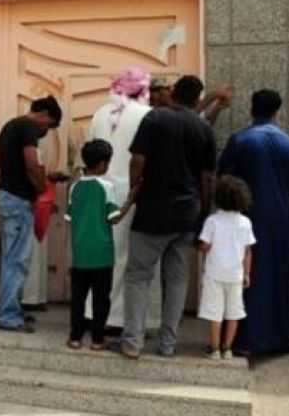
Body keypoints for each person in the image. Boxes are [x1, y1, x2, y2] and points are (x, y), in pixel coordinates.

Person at [120, 76, 216, 359]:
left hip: (152, 209)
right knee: (176, 279)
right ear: (199, 99)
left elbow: (137, 160)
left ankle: (133, 342)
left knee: (138, 276)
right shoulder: (204, 128)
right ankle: (167, 345)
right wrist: (203, 215)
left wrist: (132, 192)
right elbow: (207, 178)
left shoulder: (155, 118)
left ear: (174, 92)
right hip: (187, 213)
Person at [218, 89, 289, 356]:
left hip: (246, 217)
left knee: (247, 277)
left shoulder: (240, 140)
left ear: (251, 108)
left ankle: (245, 338)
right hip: (282, 220)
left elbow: (224, 176)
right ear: (277, 111)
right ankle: (282, 338)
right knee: (280, 274)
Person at [86, 67, 153, 332]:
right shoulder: (147, 115)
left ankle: (91, 311)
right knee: (123, 256)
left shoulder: (99, 114)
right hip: (128, 192)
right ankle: (114, 318)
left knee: (98, 253)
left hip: (98, 189)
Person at [0, 95, 63, 333]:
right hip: (18, 200)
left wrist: (15, 171)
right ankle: (7, 315)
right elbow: (32, 163)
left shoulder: (10, 125)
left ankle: (10, 308)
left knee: (11, 257)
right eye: (49, 125)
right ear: (42, 114)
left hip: (5, 196)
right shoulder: (29, 127)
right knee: (16, 260)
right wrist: (42, 189)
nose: (46, 132)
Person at [65, 139, 135, 350]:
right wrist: (130, 201)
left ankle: (75, 337)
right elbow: (114, 218)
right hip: (103, 254)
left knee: (78, 298)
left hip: (79, 253)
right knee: (101, 299)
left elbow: (69, 218)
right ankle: (97, 339)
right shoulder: (107, 187)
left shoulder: (75, 187)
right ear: (104, 163)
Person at [197, 175, 256, 360]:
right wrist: (247, 274)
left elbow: (204, 245)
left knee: (215, 313)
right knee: (234, 312)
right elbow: (248, 252)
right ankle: (227, 348)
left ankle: (214, 349)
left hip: (214, 273)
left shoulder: (212, 221)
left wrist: (200, 247)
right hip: (236, 274)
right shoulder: (245, 223)